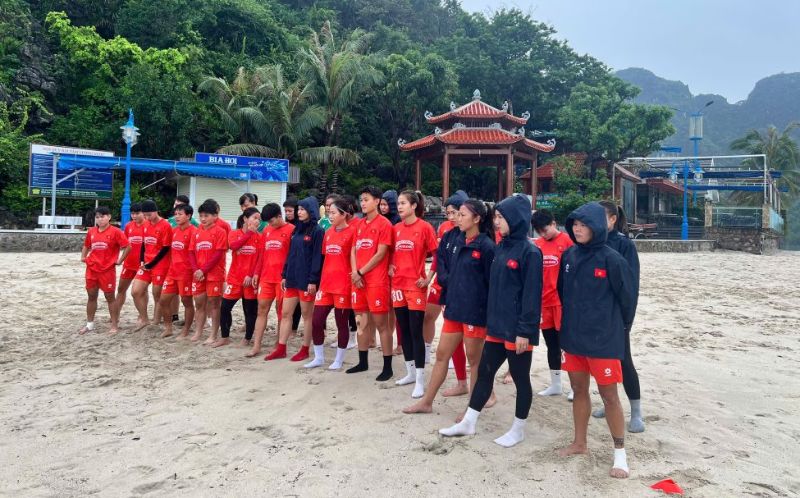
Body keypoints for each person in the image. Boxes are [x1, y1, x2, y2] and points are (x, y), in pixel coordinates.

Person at [439, 194, 542, 448]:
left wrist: (525, 331)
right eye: (495, 217)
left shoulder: (530, 252)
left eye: (501, 218)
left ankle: (518, 429)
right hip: (496, 324)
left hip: (517, 329)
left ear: (516, 219)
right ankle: (469, 422)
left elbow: (531, 296)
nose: (496, 222)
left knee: (521, 378)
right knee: (485, 373)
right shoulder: (501, 246)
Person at [556, 201, 637, 479]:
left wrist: (618, 328)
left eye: (583, 224)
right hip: (573, 336)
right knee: (579, 390)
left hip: (604, 338)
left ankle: (620, 454)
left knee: (609, 395)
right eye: (574, 225)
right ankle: (580, 443)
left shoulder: (612, 258)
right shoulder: (568, 256)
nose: (577, 229)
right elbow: (562, 292)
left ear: (598, 226)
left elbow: (628, 300)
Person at [404, 199, 495, 414]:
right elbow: (442, 262)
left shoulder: (487, 246)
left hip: (475, 312)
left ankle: (472, 410)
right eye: (456, 214)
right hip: (454, 307)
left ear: (477, 219)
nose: (456, 218)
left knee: (474, 361)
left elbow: (492, 283)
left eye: (462, 215)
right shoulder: (454, 238)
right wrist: (447, 283)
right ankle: (426, 402)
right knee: (442, 355)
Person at [592, 200, 644, 433]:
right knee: (600, 362)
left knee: (624, 360)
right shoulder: (592, 243)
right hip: (596, 313)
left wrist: (626, 320)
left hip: (617, 315)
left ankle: (636, 411)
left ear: (613, 219)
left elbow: (631, 285)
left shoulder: (624, 245)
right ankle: (608, 402)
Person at [390, 191, 437, 398]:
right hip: (397, 286)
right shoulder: (396, 228)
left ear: (414, 206)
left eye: (402, 203)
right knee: (403, 330)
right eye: (398, 203)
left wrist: (428, 279)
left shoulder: (425, 227)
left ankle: (420, 379)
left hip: (416, 287)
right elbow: (391, 252)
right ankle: (409, 373)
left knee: (416, 331)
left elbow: (437, 256)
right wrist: (391, 265)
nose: (399, 207)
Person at [266, 197, 324, 361]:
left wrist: (313, 280)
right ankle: (281, 347)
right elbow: (290, 255)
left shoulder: (317, 231)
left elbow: (317, 258)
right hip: (291, 277)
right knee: (285, 314)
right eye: (298, 209)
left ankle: (305, 349)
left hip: (306, 280)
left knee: (307, 316)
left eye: (302, 209)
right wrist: (284, 274)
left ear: (310, 210)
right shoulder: (296, 229)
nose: (299, 212)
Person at [346, 186, 395, 380]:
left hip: (376, 281)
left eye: (366, 199)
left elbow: (381, 252)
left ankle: (387, 366)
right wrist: (354, 274)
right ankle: (362, 362)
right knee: (361, 322)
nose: (363, 203)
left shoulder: (384, 224)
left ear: (377, 201)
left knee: (382, 325)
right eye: (361, 199)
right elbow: (353, 250)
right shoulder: (358, 224)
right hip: (358, 282)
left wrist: (361, 272)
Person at [424, 190, 469, 397]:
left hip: (466, 294)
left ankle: (479, 387)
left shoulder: (474, 235)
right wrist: (432, 277)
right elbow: (438, 258)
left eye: (454, 213)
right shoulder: (445, 230)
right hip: (445, 287)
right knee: (436, 323)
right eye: (448, 213)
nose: (450, 217)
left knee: (472, 343)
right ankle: (460, 381)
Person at [308, 198, 356, 369]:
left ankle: (339, 359)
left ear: (344, 214)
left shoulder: (352, 232)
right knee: (316, 321)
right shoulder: (327, 233)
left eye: (333, 213)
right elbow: (324, 257)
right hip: (326, 284)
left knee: (341, 323)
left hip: (343, 285)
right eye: (329, 212)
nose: (330, 215)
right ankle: (319, 357)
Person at [530, 209, 574, 396]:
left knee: (568, 345)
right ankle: (556, 384)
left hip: (561, 303)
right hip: (544, 302)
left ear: (554, 223)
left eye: (545, 229)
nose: (543, 234)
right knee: (551, 344)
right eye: (539, 231)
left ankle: (575, 387)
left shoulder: (568, 242)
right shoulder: (537, 245)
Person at [246, 203, 295, 358]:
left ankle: (278, 344)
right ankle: (256, 345)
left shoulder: (291, 230)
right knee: (262, 309)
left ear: (280, 216)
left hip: (282, 279)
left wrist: (287, 276)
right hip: (266, 277)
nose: (270, 224)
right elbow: (262, 254)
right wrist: (256, 273)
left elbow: (293, 257)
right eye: (267, 222)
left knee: (282, 312)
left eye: (272, 221)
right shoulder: (267, 230)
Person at [80, 207, 130, 334]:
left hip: (107, 270)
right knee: (91, 296)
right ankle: (89, 324)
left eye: (102, 216)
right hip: (92, 268)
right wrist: (83, 257)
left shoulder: (116, 232)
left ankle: (114, 325)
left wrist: (120, 260)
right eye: (97, 217)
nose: (100, 219)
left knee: (110, 297)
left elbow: (127, 246)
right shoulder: (91, 231)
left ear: (109, 217)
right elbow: (86, 245)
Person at [217, 207, 262, 348]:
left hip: (250, 280)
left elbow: (260, 259)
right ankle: (225, 337)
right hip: (234, 279)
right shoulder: (234, 233)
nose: (257, 221)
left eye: (259, 219)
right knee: (224, 308)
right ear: (245, 219)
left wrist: (252, 275)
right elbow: (234, 246)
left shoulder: (260, 237)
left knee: (250, 310)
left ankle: (247, 338)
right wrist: (248, 233)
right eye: (254, 218)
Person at [189, 199, 228, 344]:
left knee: (213, 303)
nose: (203, 219)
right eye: (201, 216)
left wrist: (203, 270)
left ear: (215, 216)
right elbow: (191, 252)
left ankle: (213, 334)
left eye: (207, 216)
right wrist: (195, 270)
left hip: (214, 273)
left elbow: (218, 255)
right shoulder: (196, 231)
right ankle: (198, 331)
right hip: (198, 274)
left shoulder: (220, 232)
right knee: (199, 302)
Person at [131, 200, 172, 331]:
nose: (147, 218)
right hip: (146, 264)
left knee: (157, 294)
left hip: (160, 264)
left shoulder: (165, 225)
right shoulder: (146, 224)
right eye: (145, 215)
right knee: (135, 291)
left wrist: (152, 263)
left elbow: (166, 248)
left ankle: (156, 320)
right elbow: (144, 243)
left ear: (156, 211)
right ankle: (144, 319)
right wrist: (142, 260)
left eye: (149, 215)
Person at [159, 203, 196, 339]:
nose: (177, 216)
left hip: (186, 273)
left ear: (188, 216)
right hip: (172, 272)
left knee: (186, 301)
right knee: (163, 300)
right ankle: (168, 328)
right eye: (176, 214)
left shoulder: (194, 232)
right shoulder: (173, 231)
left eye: (180, 214)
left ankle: (186, 330)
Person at [115, 202, 145, 326]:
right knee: (121, 289)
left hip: (142, 265)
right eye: (132, 213)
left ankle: (141, 315)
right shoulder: (128, 226)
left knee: (140, 292)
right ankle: (115, 314)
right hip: (128, 264)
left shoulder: (148, 226)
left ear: (143, 213)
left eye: (137, 213)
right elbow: (124, 244)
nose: (134, 216)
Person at [283, 197, 304, 335]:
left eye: (290, 211)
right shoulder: (286, 225)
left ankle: (294, 328)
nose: (288, 213)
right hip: (288, 265)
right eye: (286, 211)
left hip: (300, 267)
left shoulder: (300, 226)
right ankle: (289, 327)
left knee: (300, 304)